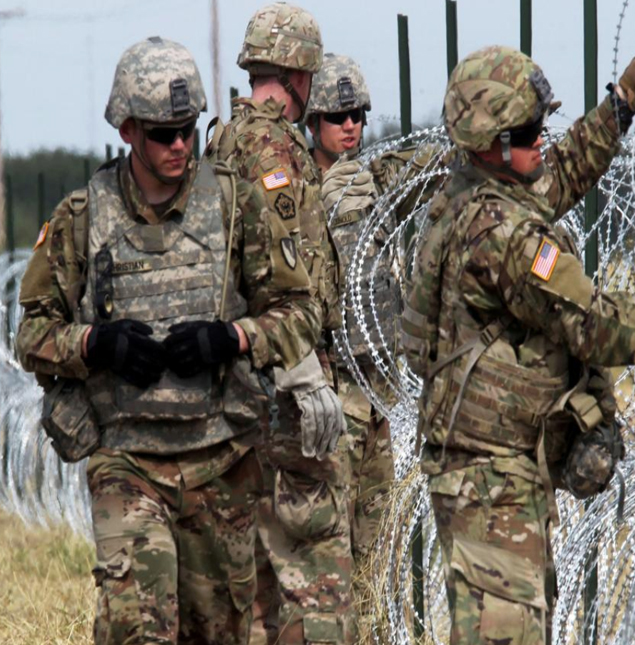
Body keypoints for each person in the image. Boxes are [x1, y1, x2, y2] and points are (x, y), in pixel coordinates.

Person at [400, 38, 635, 644]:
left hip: (484, 473)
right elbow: (593, 322)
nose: (543, 139)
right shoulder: (505, 235)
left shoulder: (473, 193)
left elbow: (558, 173)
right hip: (493, 483)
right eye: (531, 131)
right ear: (493, 143)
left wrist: (621, 104)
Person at [15, 36, 328, 645]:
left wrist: (231, 338)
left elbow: (299, 313)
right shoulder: (83, 217)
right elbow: (31, 335)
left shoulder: (237, 207)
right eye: (163, 133)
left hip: (223, 461)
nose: (180, 144)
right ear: (128, 129)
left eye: (187, 128)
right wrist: (93, 346)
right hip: (126, 459)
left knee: (225, 631)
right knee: (139, 627)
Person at [206, 4, 354, 644]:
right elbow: (280, 267)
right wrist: (303, 375)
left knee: (260, 582)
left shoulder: (222, 140)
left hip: (238, 383)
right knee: (316, 582)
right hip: (281, 390)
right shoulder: (272, 148)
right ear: (299, 73)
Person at [304, 53, 396, 583]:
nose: (350, 127)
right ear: (313, 123)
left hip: (378, 387)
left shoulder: (375, 187)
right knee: (330, 544)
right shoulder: (297, 196)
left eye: (357, 115)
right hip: (333, 390)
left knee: (377, 542)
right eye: (337, 118)